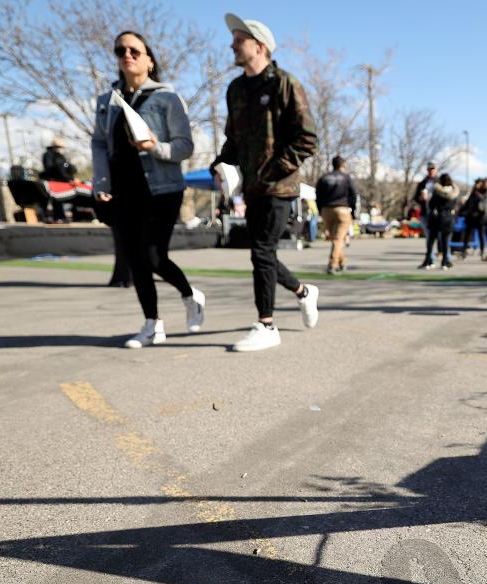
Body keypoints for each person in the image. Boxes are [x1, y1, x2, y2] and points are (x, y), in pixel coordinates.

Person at [211, 13, 319, 352]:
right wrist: (220, 165)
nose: (232, 44)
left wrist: (274, 170)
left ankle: (266, 324)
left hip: (278, 186)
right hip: (251, 187)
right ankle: (304, 291)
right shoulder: (236, 89)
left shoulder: (285, 84)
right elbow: (233, 140)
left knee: (261, 252)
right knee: (263, 254)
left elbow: (307, 139)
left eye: (239, 39)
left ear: (260, 46)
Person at [92, 31, 204, 349]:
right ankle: (152, 324)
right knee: (135, 259)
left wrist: (155, 146)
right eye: (120, 50)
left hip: (162, 189)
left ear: (149, 60)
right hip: (122, 189)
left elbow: (185, 146)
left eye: (134, 50)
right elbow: (99, 143)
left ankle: (190, 295)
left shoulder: (167, 97)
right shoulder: (107, 102)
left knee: (154, 256)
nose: (127, 55)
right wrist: (101, 183)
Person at [315, 155, 358, 273]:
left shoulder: (324, 178)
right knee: (338, 239)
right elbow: (354, 195)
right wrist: (353, 212)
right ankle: (332, 264)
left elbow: (317, 196)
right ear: (342, 165)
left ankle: (342, 261)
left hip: (326, 210)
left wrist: (320, 210)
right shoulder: (346, 177)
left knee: (335, 238)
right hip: (342, 210)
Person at [419, 173, 459, 269]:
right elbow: (455, 206)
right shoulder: (454, 193)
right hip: (449, 217)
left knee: (431, 240)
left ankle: (429, 261)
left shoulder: (437, 192)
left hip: (436, 217)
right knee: (445, 241)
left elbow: (432, 204)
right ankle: (445, 262)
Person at [40, 138, 76, 222]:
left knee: (60, 199)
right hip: (51, 180)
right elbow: (49, 168)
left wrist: (69, 177)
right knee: (55, 199)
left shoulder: (61, 156)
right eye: (60, 147)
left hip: (62, 181)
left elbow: (65, 169)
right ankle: (56, 217)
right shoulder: (48, 155)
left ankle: (61, 217)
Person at [413, 162, 439, 262]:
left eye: (433, 169)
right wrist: (421, 198)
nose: (431, 171)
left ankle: (445, 257)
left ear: (436, 170)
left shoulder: (440, 181)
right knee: (429, 236)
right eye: (429, 169)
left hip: (438, 213)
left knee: (441, 235)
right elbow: (415, 197)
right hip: (426, 212)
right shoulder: (423, 183)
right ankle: (430, 258)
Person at [457, 178, 484, 259]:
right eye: (476, 183)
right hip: (470, 217)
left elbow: (483, 206)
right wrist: (459, 210)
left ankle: (482, 251)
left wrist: (479, 213)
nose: (476, 185)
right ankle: (464, 251)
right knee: (467, 234)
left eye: (478, 183)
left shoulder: (483, 193)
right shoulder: (472, 194)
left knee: (481, 235)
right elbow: (467, 205)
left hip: (479, 218)